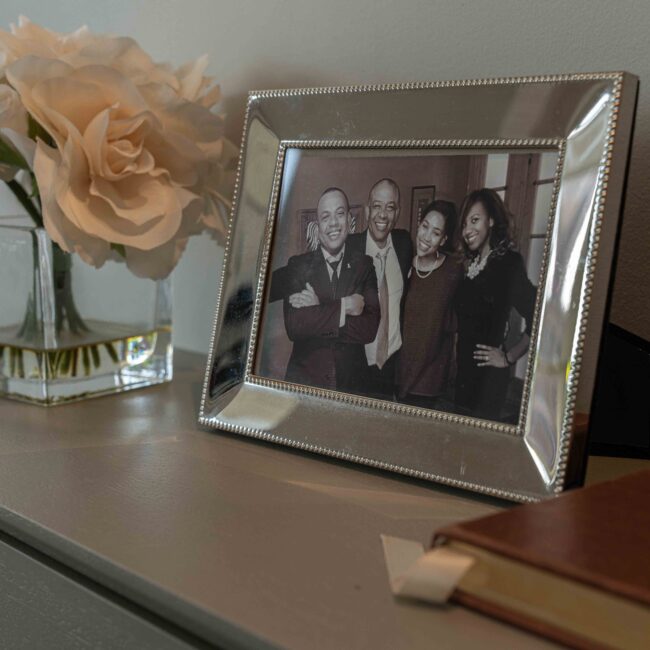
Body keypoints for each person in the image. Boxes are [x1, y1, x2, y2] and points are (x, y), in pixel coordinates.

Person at [281, 187, 380, 393]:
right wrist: (344, 306)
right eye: (326, 217)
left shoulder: (364, 265)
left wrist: (319, 309)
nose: (333, 223)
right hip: (306, 384)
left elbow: (369, 328)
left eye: (340, 213)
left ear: (349, 220)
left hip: (352, 385)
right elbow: (295, 325)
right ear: (317, 227)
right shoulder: (297, 266)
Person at [454, 188, 537, 421]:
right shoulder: (471, 264)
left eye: (475, 220)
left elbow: (539, 314)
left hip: (488, 381)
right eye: (464, 224)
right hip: (463, 377)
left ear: (491, 220)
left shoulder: (507, 264)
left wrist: (509, 357)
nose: (467, 230)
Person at [347, 178, 412, 399]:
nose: (382, 215)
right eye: (377, 206)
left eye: (390, 207)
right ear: (367, 210)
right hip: (357, 364)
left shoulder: (404, 245)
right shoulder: (350, 248)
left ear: (397, 212)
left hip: (393, 360)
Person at [396, 200, 462, 409]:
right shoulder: (405, 263)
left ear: (443, 240)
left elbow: (433, 334)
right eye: (425, 226)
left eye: (435, 233)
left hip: (427, 380)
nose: (426, 237)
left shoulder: (452, 271)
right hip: (400, 371)